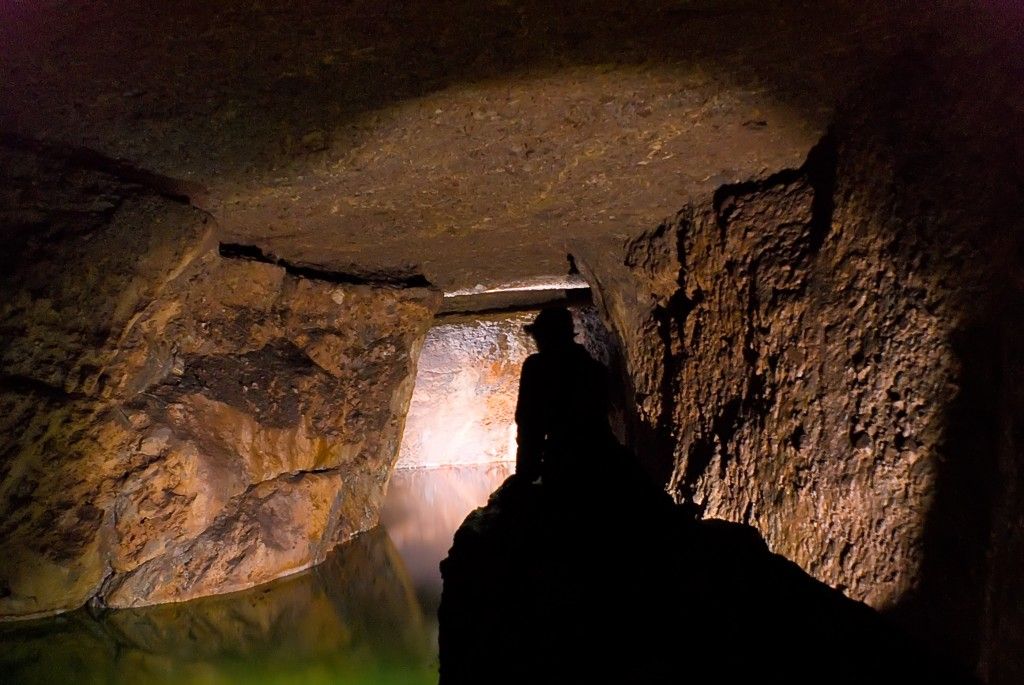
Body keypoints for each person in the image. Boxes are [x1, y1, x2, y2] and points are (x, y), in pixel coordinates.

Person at [514, 306, 614, 486]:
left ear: (545, 336)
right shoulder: (594, 369)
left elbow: (529, 424)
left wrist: (525, 474)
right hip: (600, 459)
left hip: (563, 460)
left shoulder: (537, 367)